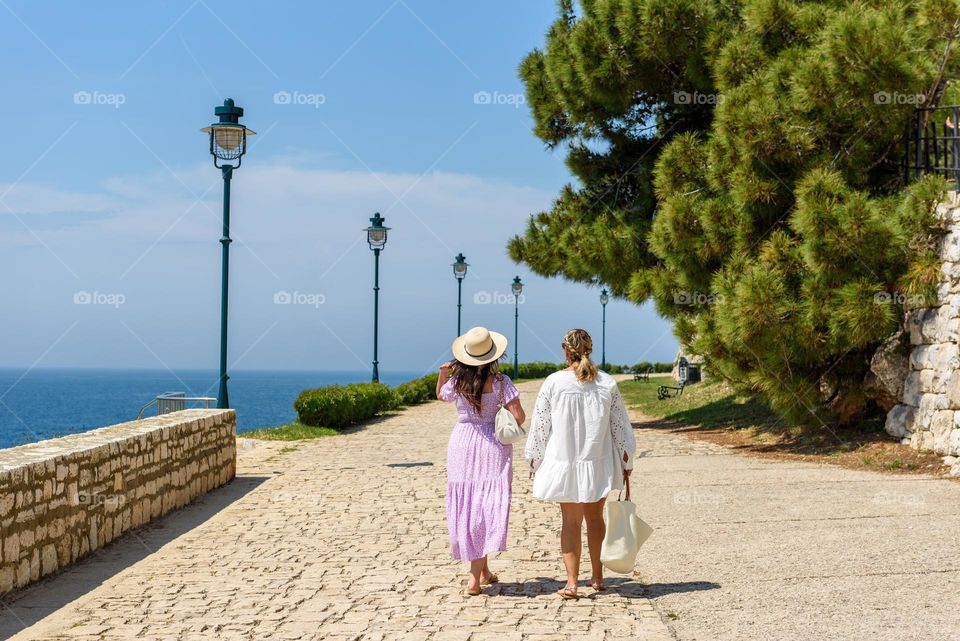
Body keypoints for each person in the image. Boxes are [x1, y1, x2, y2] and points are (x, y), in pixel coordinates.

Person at [524, 328, 636, 599]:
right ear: (589, 349)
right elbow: (620, 425)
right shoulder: (606, 382)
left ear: (565, 350)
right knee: (595, 519)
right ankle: (597, 577)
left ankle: (572, 583)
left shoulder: (553, 382)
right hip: (596, 462)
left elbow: (540, 426)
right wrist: (627, 458)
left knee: (570, 522)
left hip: (565, 462)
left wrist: (534, 461)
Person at [437, 326, 526, 596]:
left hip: (462, 443)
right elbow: (519, 417)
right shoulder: (501, 382)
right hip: (492, 445)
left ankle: (484, 572)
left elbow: (441, 395)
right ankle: (474, 579)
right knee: (485, 506)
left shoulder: (457, 382)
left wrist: (442, 373)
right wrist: (496, 417)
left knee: (470, 504)